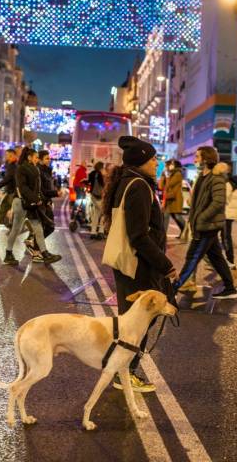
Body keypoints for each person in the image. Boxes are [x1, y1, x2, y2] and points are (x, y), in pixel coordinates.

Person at [102, 135, 176, 393]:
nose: (157, 162)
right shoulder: (138, 187)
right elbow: (139, 236)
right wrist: (165, 265)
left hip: (133, 264)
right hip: (138, 265)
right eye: (153, 158)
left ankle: (122, 369)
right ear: (142, 160)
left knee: (134, 320)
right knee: (139, 321)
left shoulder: (130, 182)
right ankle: (126, 372)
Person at [173, 147, 237, 300]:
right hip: (202, 225)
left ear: (206, 158)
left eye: (197, 156)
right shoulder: (202, 176)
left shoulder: (216, 177)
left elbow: (218, 203)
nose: (195, 159)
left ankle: (173, 289)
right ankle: (230, 288)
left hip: (207, 226)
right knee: (216, 258)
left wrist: (202, 218)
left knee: (192, 257)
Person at [3, 148, 61, 265]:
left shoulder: (34, 169)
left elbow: (38, 189)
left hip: (31, 203)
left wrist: (40, 199)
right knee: (16, 229)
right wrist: (36, 199)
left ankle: (44, 253)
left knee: (38, 227)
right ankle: (8, 253)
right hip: (21, 202)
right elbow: (23, 188)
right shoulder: (21, 169)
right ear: (29, 157)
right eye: (35, 157)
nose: (37, 159)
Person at [222, 170, 237, 269]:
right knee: (225, 237)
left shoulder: (228, 186)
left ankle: (230, 260)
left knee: (225, 238)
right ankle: (227, 260)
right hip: (229, 216)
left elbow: (223, 199)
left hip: (225, 215)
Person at [160, 160, 186, 237]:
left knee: (177, 216)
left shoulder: (178, 174)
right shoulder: (169, 174)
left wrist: (166, 176)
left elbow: (168, 185)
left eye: (168, 165)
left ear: (173, 165)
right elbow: (161, 186)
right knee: (166, 216)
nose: (166, 167)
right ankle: (163, 235)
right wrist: (162, 175)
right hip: (169, 199)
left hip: (175, 199)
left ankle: (186, 230)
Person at [87, 161, 106, 239]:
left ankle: (93, 232)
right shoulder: (102, 174)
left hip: (93, 196)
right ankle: (101, 231)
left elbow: (88, 182)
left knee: (96, 213)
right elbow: (104, 184)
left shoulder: (92, 173)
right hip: (100, 197)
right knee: (104, 213)